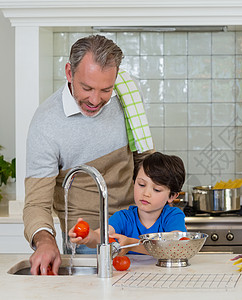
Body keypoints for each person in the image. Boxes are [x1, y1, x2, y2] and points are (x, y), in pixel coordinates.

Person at [23, 35, 152, 275]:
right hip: (85, 245)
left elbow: (145, 162)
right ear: (69, 73)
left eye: (105, 89)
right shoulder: (46, 124)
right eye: (87, 88)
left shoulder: (127, 95)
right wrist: (45, 240)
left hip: (136, 233)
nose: (95, 100)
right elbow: (36, 203)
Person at [69, 152, 186, 255]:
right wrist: (88, 236)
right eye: (141, 184)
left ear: (172, 196)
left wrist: (132, 244)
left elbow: (174, 246)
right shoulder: (124, 218)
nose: (146, 193)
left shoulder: (173, 216)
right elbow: (101, 236)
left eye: (156, 190)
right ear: (134, 182)